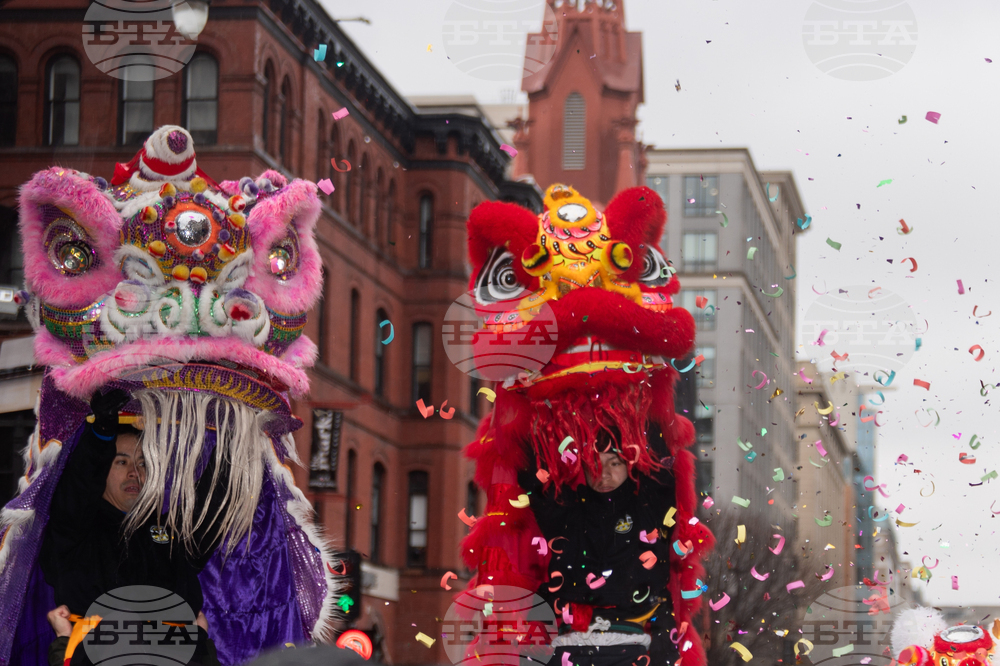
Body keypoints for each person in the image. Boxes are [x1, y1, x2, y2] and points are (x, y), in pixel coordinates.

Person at [40, 389, 223, 666]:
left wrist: (232, 445)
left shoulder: (168, 532)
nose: (134, 473)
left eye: (142, 463)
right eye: (121, 461)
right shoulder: (76, 530)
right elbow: (79, 487)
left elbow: (211, 506)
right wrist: (102, 433)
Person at [517, 426, 681, 666]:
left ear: (630, 464)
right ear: (583, 466)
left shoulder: (650, 511)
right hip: (567, 652)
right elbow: (534, 477)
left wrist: (645, 409)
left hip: (636, 650)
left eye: (614, 463)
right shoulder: (567, 514)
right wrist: (525, 413)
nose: (603, 474)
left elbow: (662, 469)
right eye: (595, 463)